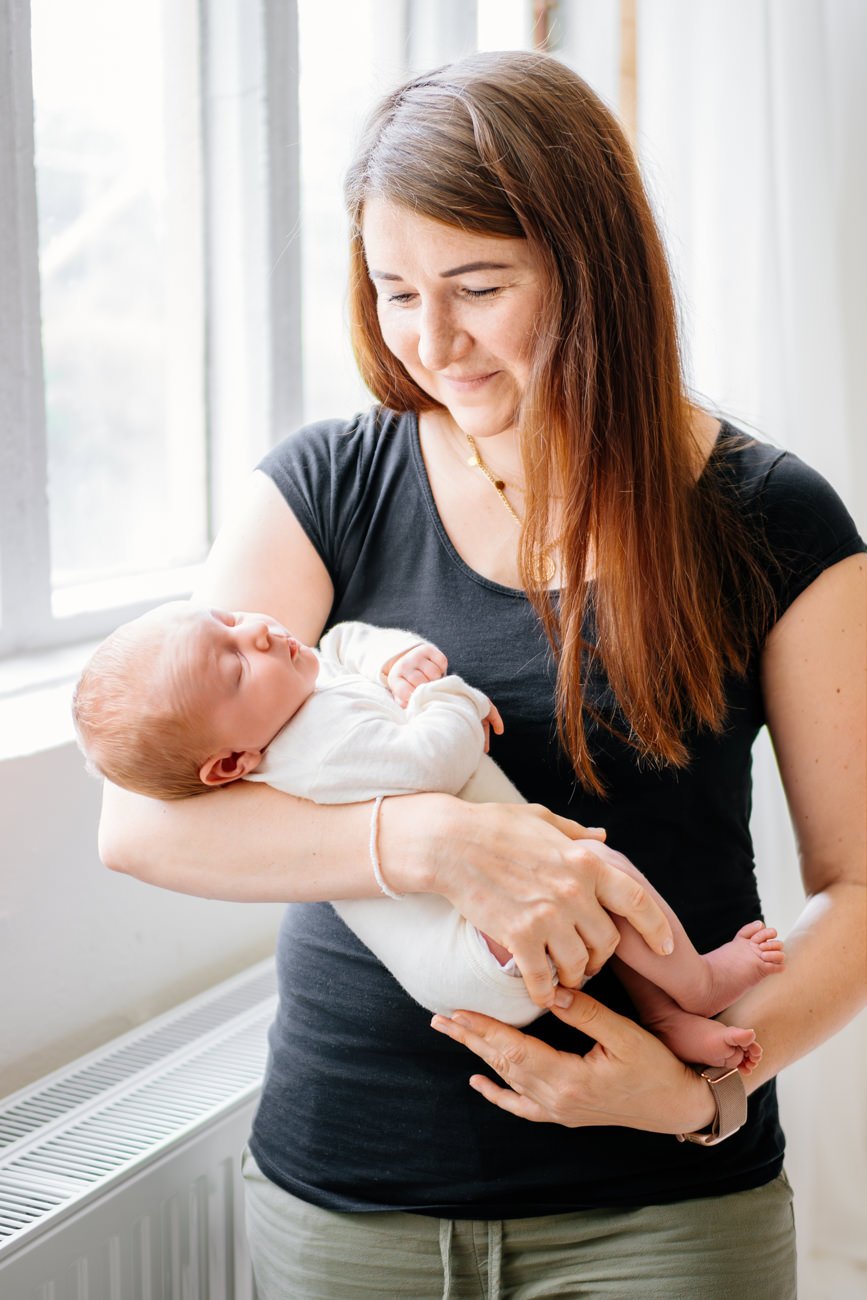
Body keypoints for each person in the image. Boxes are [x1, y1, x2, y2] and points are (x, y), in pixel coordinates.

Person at [96, 50, 866, 1299]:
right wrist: (432, 840)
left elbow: (862, 884)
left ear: (594, 269)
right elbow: (141, 817)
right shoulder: (330, 487)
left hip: (662, 1209)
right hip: (353, 1198)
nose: (430, 340)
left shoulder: (774, 517)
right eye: (396, 290)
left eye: (477, 285)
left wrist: (699, 1090)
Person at [74, 605, 783, 1049]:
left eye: (226, 620)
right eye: (233, 662)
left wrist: (389, 657)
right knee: (600, 874)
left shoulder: (297, 694)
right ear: (231, 763)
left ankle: (663, 1020)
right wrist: (449, 695)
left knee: (591, 896)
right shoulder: (314, 754)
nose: (254, 630)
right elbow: (430, 765)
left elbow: (345, 638)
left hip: (473, 933)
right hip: (466, 953)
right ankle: (696, 984)